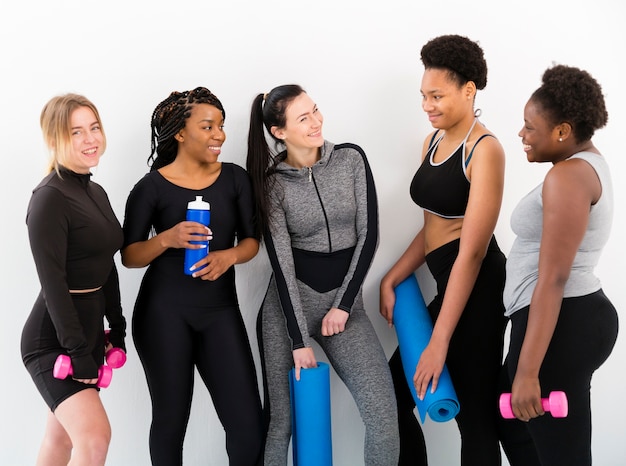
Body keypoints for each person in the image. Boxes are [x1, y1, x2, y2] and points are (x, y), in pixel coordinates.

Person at [246, 84, 400, 465]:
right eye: (304, 117)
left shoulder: (350, 159)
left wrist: (344, 305)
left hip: (344, 308)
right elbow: (280, 264)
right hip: (288, 311)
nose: (317, 121)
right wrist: (298, 340)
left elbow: (370, 235)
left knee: (383, 418)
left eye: (315, 110)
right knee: (281, 424)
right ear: (279, 132)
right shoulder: (272, 183)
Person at [379, 34, 507, 465]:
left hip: (478, 289)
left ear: (469, 90)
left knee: (474, 421)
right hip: (448, 283)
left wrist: (439, 340)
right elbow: (433, 225)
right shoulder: (433, 141)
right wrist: (393, 277)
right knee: (393, 398)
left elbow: (470, 253)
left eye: (437, 95)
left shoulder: (485, 150)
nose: (427, 105)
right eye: (423, 96)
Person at [121, 87, 263, 466]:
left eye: (221, 125)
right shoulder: (150, 187)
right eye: (208, 126)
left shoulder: (235, 179)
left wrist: (228, 257)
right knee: (171, 422)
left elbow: (252, 240)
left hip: (219, 311)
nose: (219, 135)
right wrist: (167, 238)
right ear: (180, 133)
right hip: (162, 315)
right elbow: (130, 256)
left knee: (248, 425)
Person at [498, 65, 618, 466]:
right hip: (571, 319)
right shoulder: (584, 163)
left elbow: (553, 279)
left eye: (530, 127)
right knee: (513, 425)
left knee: (563, 457)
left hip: (560, 324)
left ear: (563, 131)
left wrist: (529, 372)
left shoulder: (568, 177)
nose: (521, 134)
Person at [21, 93, 127, 466]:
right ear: (54, 140)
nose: (90, 139)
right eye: (75, 132)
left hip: (87, 334)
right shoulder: (49, 198)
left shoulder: (94, 191)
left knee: (60, 440)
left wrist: (116, 325)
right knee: (95, 437)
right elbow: (53, 283)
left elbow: (106, 261)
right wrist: (78, 351)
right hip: (52, 339)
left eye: (94, 127)